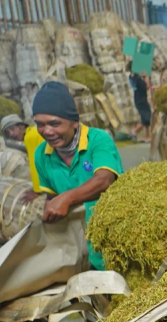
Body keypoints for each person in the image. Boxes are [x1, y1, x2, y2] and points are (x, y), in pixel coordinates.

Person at [32, 81, 123, 270]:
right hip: (83, 250)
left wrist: (67, 198)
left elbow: (105, 179)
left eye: (54, 123)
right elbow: (51, 199)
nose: (47, 131)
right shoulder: (41, 154)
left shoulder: (98, 140)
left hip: (118, 240)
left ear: (74, 121)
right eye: (40, 124)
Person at [0, 114, 53, 194]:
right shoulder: (34, 131)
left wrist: (37, 191)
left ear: (21, 126)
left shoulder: (30, 137)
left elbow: (36, 165)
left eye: (12, 129)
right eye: (8, 132)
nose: (11, 134)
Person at [129, 71, 151, 142]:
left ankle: (147, 137)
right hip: (140, 101)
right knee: (146, 118)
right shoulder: (135, 79)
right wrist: (146, 77)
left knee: (146, 118)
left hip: (142, 99)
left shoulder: (137, 78)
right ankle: (134, 131)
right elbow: (147, 86)